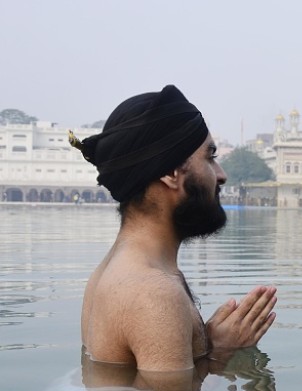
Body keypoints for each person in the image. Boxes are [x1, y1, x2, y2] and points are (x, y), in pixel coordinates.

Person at [70, 85, 277, 373]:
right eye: (210, 157)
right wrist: (221, 356)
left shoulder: (113, 271)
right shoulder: (152, 294)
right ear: (169, 173)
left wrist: (207, 345)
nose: (221, 175)